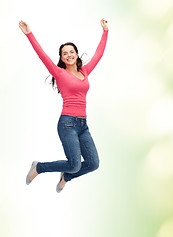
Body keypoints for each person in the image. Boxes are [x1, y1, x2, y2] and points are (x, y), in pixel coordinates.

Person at [20, 19, 109, 193]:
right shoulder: (59, 73)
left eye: (71, 52)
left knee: (93, 164)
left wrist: (105, 32)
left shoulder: (85, 72)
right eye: (64, 53)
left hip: (83, 125)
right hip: (67, 124)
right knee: (74, 164)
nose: (68, 55)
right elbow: (42, 55)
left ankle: (66, 176)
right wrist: (29, 33)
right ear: (61, 58)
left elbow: (99, 54)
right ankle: (39, 167)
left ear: (76, 54)